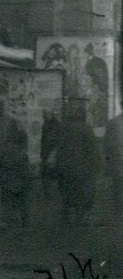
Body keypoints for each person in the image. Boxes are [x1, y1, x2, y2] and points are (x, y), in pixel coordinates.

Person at [56, 101, 101, 225]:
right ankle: (81, 216)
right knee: (81, 192)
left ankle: (67, 215)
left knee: (67, 191)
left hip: (65, 167)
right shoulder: (86, 129)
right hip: (82, 168)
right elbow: (92, 149)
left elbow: (59, 148)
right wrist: (97, 164)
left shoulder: (63, 128)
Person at [0, 127, 31, 228]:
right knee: (22, 202)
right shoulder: (22, 154)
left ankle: (5, 222)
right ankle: (24, 220)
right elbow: (26, 171)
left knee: (6, 203)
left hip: (5, 181)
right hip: (19, 183)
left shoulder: (3, 151)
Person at [104, 96, 123, 271]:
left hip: (119, 175)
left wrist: (109, 169)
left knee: (119, 214)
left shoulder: (113, 124)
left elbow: (107, 149)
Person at [39, 107, 60, 197]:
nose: (44, 116)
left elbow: (54, 139)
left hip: (52, 150)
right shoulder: (46, 123)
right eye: (44, 114)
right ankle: (47, 189)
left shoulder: (56, 124)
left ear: (51, 114)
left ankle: (49, 190)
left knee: (49, 170)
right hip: (46, 150)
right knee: (45, 170)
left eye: (46, 114)